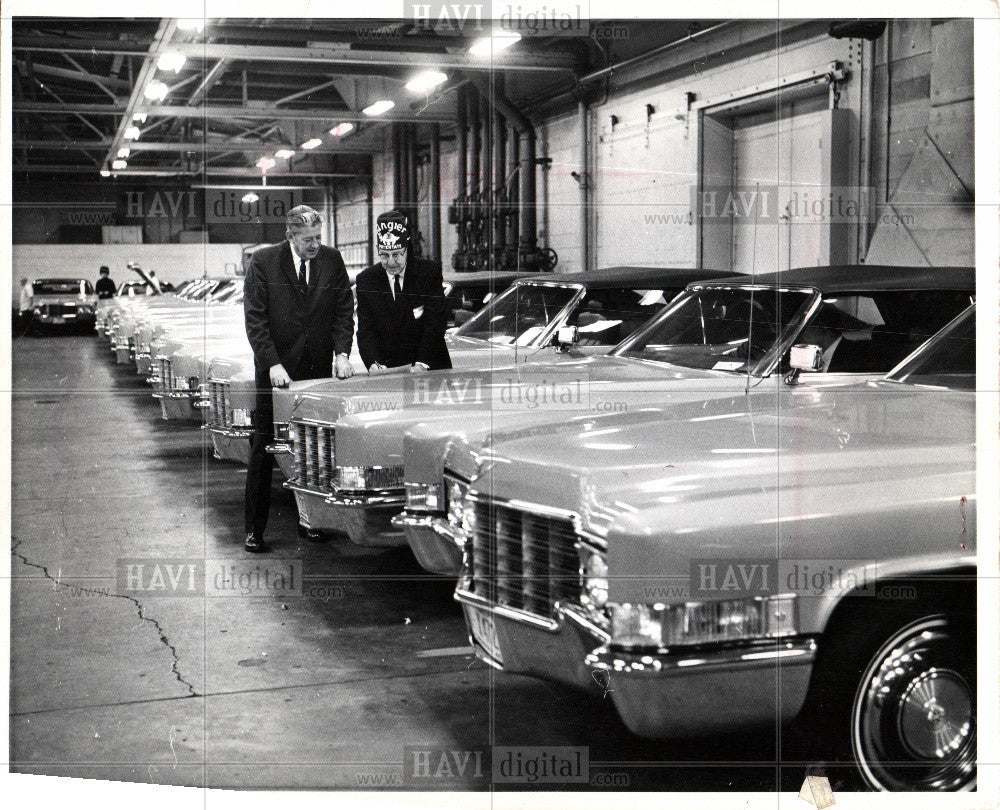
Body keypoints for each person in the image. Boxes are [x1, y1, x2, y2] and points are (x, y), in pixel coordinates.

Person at [243, 205, 356, 552]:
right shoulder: (263, 262)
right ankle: (254, 529)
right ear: (290, 235)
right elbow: (255, 319)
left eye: (318, 238)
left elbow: (343, 310)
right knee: (264, 445)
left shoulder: (331, 261)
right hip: (277, 371)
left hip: (318, 369)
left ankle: (313, 521)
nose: (314, 245)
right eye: (307, 239)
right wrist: (273, 363)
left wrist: (341, 353)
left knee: (315, 450)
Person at [355, 210, 452, 374]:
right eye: (384, 255)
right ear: (378, 249)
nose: (391, 262)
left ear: (407, 249)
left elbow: (435, 323)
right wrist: (373, 362)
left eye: (397, 255)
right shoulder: (366, 280)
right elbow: (366, 330)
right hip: (389, 371)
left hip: (429, 367)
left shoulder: (428, 272)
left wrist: (422, 363)